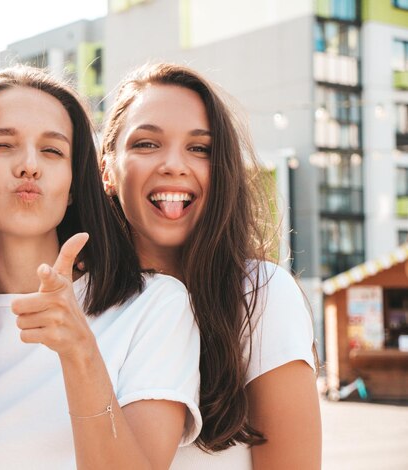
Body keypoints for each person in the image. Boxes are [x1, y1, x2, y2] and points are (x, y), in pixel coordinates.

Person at [0, 66, 201, 469]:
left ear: (72, 186)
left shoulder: (154, 306)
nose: (30, 165)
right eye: (2, 145)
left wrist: (80, 352)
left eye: (52, 151)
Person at [101, 63, 321, 469]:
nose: (173, 164)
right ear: (106, 168)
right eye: (147, 144)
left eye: (200, 148)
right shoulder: (82, 302)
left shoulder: (260, 294)